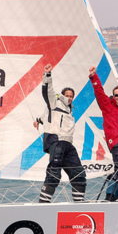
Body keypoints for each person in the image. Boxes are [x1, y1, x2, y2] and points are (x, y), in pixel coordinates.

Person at [37, 63, 86, 203]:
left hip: (68, 144)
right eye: (67, 95)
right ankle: (43, 204)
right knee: (54, 174)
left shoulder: (70, 111)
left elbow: (46, 117)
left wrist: (38, 120)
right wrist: (47, 75)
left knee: (79, 175)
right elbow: (48, 92)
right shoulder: (56, 103)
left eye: (71, 96)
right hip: (57, 142)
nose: (69, 98)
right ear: (63, 95)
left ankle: (79, 204)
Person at [89, 66, 118, 201]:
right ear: (113, 96)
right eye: (117, 95)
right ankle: (109, 196)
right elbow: (99, 92)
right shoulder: (108, 105)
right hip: (116, 142)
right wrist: (94, 77)